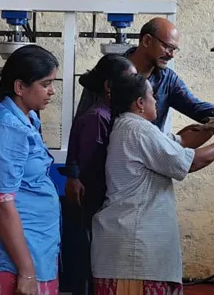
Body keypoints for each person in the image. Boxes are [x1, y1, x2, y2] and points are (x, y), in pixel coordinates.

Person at [91, 74, 214, 295]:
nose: (156, 101)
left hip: (129, 250)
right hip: (135, 254)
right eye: (152, 96)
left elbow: (182, 142)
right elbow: (191, 162)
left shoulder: (131, 127)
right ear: (140, 103)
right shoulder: (138, 130)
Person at [0, 44, 61, 295]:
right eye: (45, 83)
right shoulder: (4, 128)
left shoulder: (26, 118)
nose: (52, 91)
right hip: (13, 261)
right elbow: (1, 205)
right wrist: (27, 271)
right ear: (20, 87)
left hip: (36, 247)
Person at [58, 54, 137, 295]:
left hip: (97, 204)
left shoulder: (109, 115)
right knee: (88, 268)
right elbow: (94, 168)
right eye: (129, 79)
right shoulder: (97, 118)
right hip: (92, 205)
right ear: (109, 86)